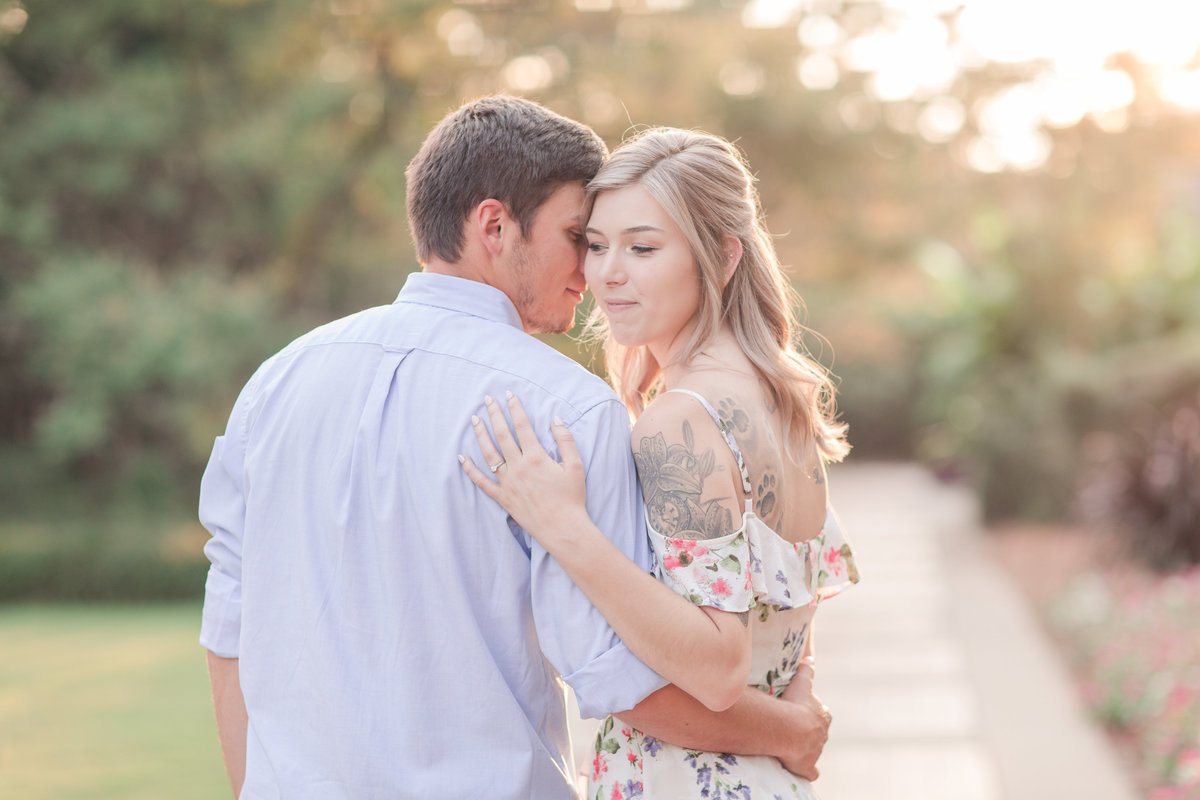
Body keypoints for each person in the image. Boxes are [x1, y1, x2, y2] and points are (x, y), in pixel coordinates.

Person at [199, 97, 832, 800]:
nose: (592, 271)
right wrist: (791, 731)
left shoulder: (275, 382)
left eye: (631, 246)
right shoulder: (566, 411)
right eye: (581, 238)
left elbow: (228, 628)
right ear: (495, 227)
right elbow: (622, 679)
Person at [462, 127, 859, 799]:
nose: (605, 273)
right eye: (595, 245)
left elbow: (719, 667)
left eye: (642, 248)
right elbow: (791, 623)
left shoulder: (681, 421)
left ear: (721, 258)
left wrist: (564, 528)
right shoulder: (778, 400)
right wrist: (796, 717)